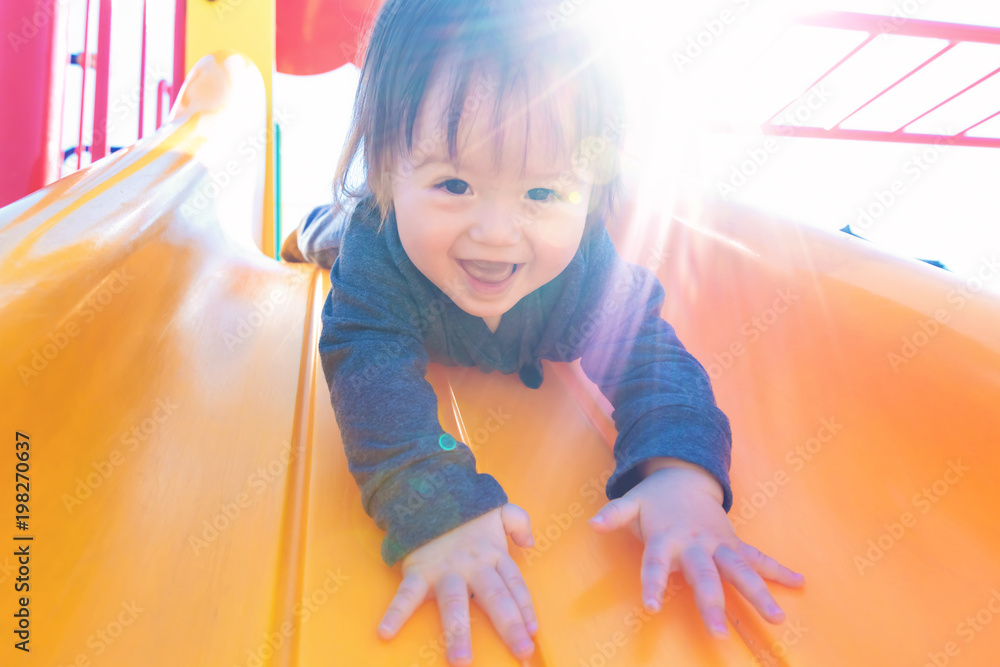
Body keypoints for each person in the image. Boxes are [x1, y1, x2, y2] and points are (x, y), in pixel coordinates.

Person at [315, 1, 804, 664]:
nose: (495, 232)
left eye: (542, 194)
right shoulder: (379, 248)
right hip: (356, 234)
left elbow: (651, 356)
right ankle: (314, 226)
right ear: (388, 169)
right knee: (332, 235)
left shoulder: (585, 271)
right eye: (453, 183)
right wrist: (435, 504)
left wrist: (683, 471)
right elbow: (367, 369)